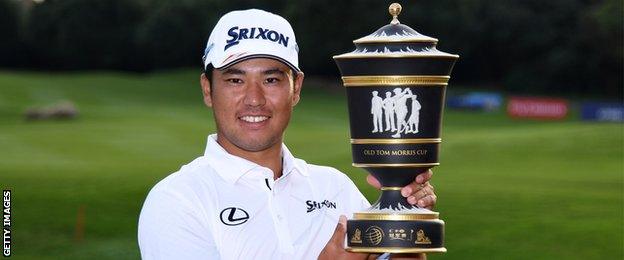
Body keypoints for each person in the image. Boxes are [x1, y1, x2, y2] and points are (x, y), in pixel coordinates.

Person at [138, 9, 437, 260]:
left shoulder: (335, 188)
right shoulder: (177, 200)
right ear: (208, 89)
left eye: (271, 79)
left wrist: (406, 227)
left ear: (296, 89)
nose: (254, 99)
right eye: (234, 80)